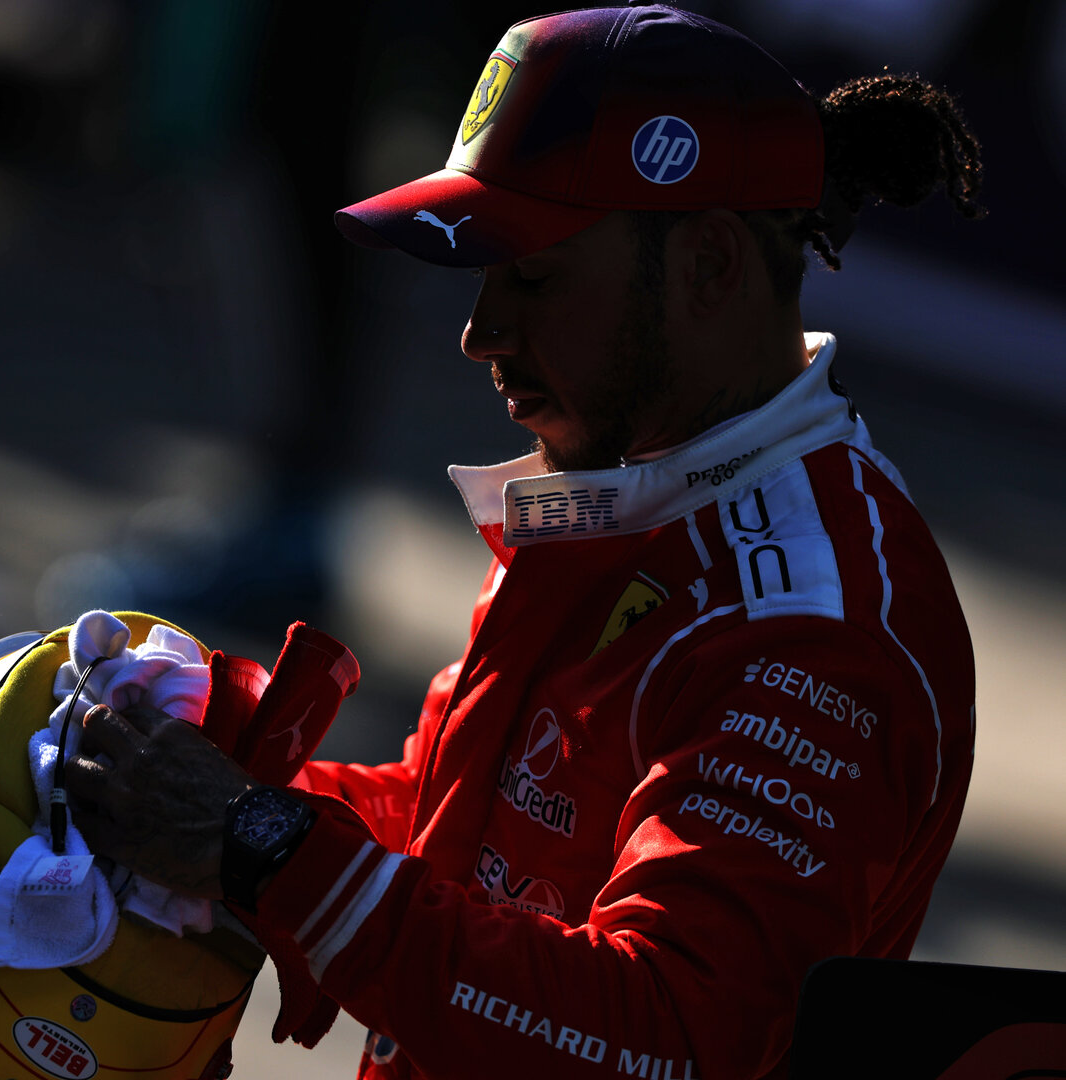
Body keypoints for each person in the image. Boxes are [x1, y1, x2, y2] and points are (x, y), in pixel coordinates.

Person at [66, 5, 984, 1077]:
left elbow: (673, 1032)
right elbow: (454, 838)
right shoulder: (624, 495)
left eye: (533, 276)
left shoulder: (811, 632)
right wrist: (187, 750)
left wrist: (263, 846)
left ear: (710, 269)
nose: (480, 333)